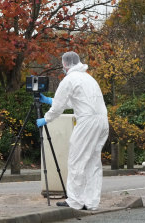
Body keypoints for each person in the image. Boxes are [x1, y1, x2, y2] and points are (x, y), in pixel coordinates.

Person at [36, 51, 109, 211]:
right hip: (102, 121)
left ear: (65, 64)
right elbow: (76, 101)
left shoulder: (69, 79)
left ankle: (75, 200)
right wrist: (49, 100)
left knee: (76, 160)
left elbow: (57, 108)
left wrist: (45, 119)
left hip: (87, 123)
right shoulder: (88, 78)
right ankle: (91, 202)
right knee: (93, 163)